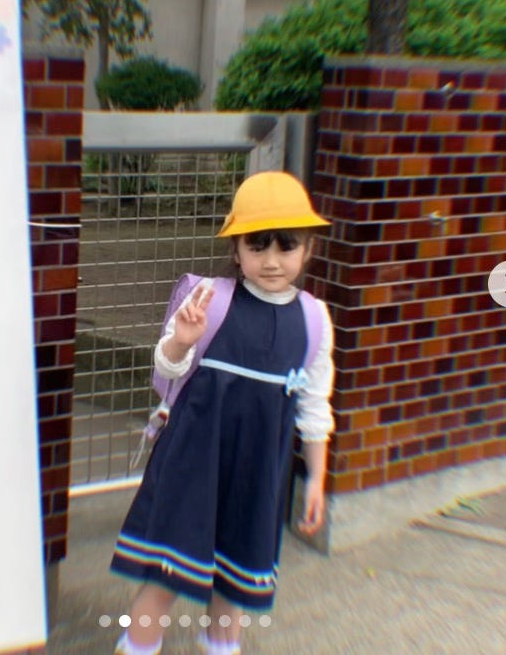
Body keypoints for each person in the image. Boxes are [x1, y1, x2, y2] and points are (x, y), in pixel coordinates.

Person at [110, 171, 335, 655]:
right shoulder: (210, 299)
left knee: (235, 581)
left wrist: (316, 478)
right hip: (192, 462)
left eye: (286, 246)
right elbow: (166, 368)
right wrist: (180, 341)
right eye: (257, 245)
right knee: (165, 573)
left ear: (308, 249)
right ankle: (137, 645)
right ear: (236, 249)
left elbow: (314, 407)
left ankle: (221, 646)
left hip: (259, 472)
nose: (271, 260)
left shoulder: (314, 320)